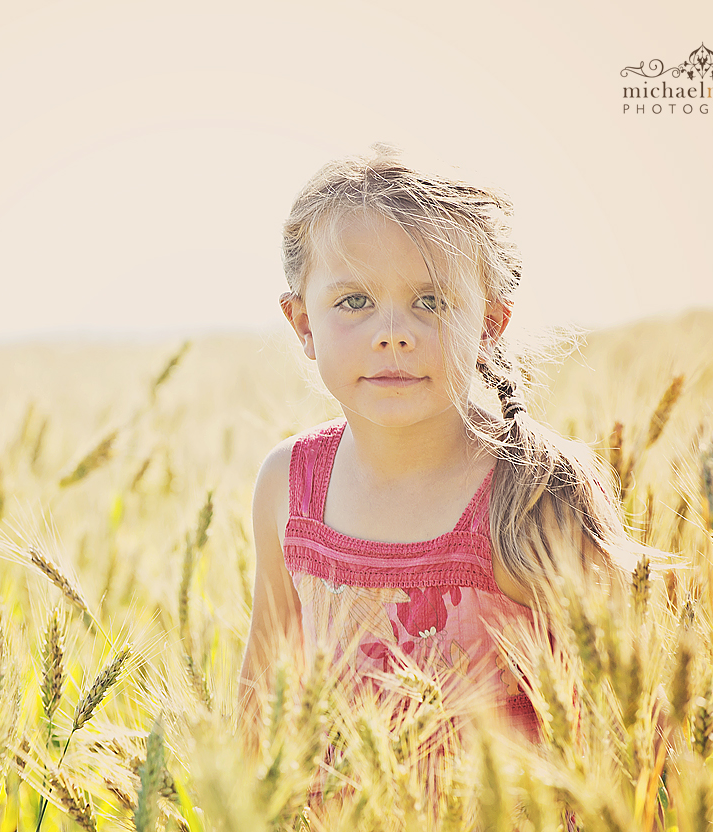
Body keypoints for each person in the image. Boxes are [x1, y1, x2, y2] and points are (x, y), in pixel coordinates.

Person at [237, 144, 641, 759]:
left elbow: (622, 724)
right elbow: (260, 696)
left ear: (489, 326)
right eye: (354, 301)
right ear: (302, 325)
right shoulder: (289, 487)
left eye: (433, 301)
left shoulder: (534, 492)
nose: (393, 331)